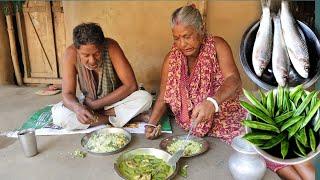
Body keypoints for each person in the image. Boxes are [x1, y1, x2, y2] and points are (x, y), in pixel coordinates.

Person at [144, 5, 315, 180]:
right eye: (177, 38)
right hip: (201, 126)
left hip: (229, 116)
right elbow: (163, 96)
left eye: (187, 36)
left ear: (201, 29)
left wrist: (212, 102)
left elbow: (233, 80)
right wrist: (151, 123)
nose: (182, 44)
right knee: (261, 152)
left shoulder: (217, 45)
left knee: (273, 140)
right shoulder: (171, 59)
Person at [51, 23, 152, 130]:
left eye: (97, 53)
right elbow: (67, 94)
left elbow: (131, 86)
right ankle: (124, 119)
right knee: (59, 116)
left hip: (115, 101)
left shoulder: (111, 47)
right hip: (88, 103)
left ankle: (99, 118)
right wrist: (78, 109)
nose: (92, 60)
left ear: (102, 46)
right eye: (86, 55)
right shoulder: (70, 54)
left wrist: (95, 106)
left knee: (145, 98)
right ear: (77, 50)